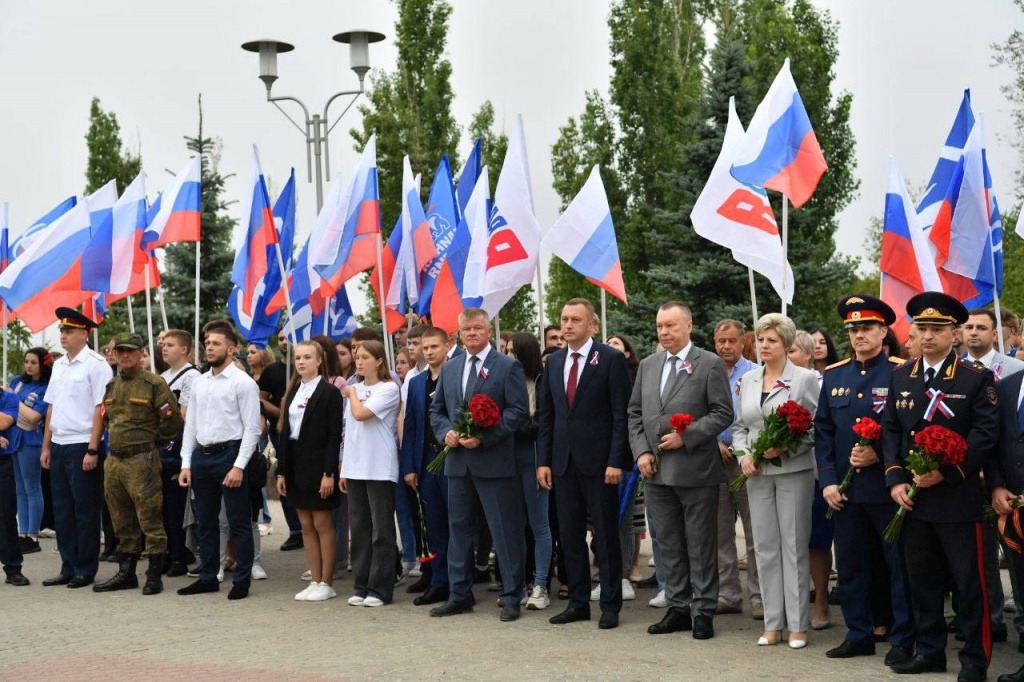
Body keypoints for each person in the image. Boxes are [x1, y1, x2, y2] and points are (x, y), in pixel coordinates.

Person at [883, 293, 998, 681]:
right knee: (922, 582)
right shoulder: (901, 375)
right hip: (914, 500)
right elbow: (892, 432)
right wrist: (896, 479)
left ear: (955, 334)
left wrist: (947, 474)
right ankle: (929, 652)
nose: (928, 336)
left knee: (968, 584)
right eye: (923, 329)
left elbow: (984, 436)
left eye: (937, 329)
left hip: (957, 498)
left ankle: (974, 659)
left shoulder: (975, 378)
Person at [815, 295, 914, 666]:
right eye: (853, 329)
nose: (858, 334)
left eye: (866, 327)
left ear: (883, 330)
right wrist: (827, 481)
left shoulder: (902, 371)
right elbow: (823, 431)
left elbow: (910, 431)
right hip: (845, 490)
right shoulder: (835, 374)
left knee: (897, 566)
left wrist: (884, 458)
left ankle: (904, 637)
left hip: (888, 489)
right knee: (852, 566)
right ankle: (858, 634)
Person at [628, 301, 734, 639]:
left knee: (701, 544)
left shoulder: (709, 363)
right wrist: (641, 451)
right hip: (656, 472)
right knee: (669, 543)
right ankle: (677, 607)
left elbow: (722, 412)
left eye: (671, 326)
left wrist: (686, 436)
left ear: (688, 326)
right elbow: (634, 414)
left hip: (696, 471)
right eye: (660, 326)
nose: (664, 332)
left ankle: (703, 610)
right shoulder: (648, 364)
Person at [429, 307, 529, 622]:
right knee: (458, 530)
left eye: (477, 328)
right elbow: (437, 410)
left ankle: (512, 594)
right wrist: (447, 433)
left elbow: (517, 411)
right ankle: (460, 594)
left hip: (494, 462)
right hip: (458, 464)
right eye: (466, 329)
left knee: (504, 531)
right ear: (457, 334)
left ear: (488, 331)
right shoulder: (450, 367)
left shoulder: (507, 366)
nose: (472, 333)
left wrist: (485, 437)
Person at [537, 299, 631, 630]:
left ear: (592, 325)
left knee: (605, 535)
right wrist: (543, 461)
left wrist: (616, 460)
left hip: (600, 464)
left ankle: (609, 604)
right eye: (564, 319)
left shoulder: (610, 359)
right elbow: (547, 415)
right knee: (569, 535)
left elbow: (621, 414)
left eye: (576, 319)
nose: (567, 325)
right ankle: (578, 602)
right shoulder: (554, 362)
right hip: (563, 464)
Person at [734, 313, 819, 649]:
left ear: (786, 344)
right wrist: (744, 456)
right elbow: (741, 426)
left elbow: (812, 427)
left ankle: (798, 625)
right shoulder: (751, 379)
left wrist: (785, 445)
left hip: (792, 472)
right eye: (760, 340)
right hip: (756, 474)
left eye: (771, 340)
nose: (764, 346)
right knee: (765, 548)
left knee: (794, 546)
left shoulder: (804, 378)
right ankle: (773, 624)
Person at [93, 334, 184, 596]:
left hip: (142, 460)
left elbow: (172, 422)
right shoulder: (112, 385)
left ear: (142, 353)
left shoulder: (154, 384)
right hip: (115, 460)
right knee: (121, 518)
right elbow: (108, 420)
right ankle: (126, 573)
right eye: (119, 351)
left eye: (130, 351)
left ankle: (154, 574)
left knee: (149, 517)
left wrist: (151, 441)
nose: (124, 356)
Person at [177, 325, 262, 601]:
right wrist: (186, 463)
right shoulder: (200, 382)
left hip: (230, 454)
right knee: (205, 522)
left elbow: (252, 429)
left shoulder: (243, 383)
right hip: (202, 456)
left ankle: (241, 580)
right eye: (207, 343)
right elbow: (191, 424)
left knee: (238, 521)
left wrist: (238, 466)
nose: (210, 347)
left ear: (232, 348)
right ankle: (208, 576)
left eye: (216, 343)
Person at [40, 308, 112, 589]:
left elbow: (101, 408)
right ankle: (68, 565)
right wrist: (46, 446)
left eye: (68, 331)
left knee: (85, 509)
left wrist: (93, 448)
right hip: (59, 443)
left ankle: (85, 568)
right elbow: (52, 407)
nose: (63, 336)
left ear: (84, 333)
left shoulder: (96, 364)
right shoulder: (59, 365)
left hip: (83, 443)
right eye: (61, 331)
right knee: (63, 510)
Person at [276, 341, 343, 602]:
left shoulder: (329, 393)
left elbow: (334, 435)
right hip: (295, 463)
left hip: (318, 464)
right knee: (305, 524)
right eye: (298, 358)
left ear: (319, 361)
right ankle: (315, 580)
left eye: (307, 357)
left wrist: (329, 472)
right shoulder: (293, 391)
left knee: (322, 523)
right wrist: (282, 472)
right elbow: (284, 434)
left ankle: (327, 581)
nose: (301, 362)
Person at [340, 340, 401, 607]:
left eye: (365, 357)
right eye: (357, 357)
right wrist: (344, 467)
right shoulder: (356, 388)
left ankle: (380, 589)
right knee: (360, 529)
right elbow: (349, 431)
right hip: (356, 467)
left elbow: (362, 413)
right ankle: (361, 585)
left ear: (379, 360)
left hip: (379, 467)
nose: (359, 362)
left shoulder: (388, 388)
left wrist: (351, 393)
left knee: (381, 531)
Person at [712, 320, 762, 620]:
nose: (726, 346)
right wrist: (714, 440)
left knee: (755, 533)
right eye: (721, 341)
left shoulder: (756, 373)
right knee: (720, 533)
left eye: (732, 341)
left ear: (743, 341)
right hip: (714, 462)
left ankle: (758, 597)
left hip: (748, 463)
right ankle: (728, 594)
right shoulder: (705, 370)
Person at [401, 326, 452, 606]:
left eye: (435, 346)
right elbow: (410, 426)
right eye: (426, 347)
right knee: (432, 527)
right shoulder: (417, 382)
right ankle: (438, 581)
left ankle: (456, 583)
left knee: (455, 524)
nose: (430, 351)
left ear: (446, 347)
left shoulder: (455, 374)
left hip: (452, 460)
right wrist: (409, 466)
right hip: (426, 461)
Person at [789, 330, 834, 632]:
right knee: (790, 542)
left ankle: (821, 602)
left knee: (816, 542)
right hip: (784, 471)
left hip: (816, 473)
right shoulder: (767, 381)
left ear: (808, 355)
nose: (788, 355)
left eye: (792, 350)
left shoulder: (823, 384)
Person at [507, 331, 553, 612]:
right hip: (506, 458)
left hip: (534, 456)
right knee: (512, 525)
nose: (507, 356)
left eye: (512, 351)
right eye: (505, 350)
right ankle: (517, 583)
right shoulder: (502, 379)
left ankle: (540, 585)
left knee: (539, 524)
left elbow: (546, 423)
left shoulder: (541, 381)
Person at [987, 358, 1024, 682]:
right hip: (1013, 508)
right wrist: (996, 484)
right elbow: (994, 444)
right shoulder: (1006, 388)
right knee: (1022, 584)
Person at [159, 330, 200, 576]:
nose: (164, 348)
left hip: (179, 447)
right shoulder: (163, 376)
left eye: (170, 345)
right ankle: (169, 551)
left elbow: (185, 415)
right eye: (163, 344)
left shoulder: (191, 376)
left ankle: (179, 555)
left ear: (184, 349)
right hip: (163, 446)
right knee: (163, 505)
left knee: (176, 506)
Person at [10, 347, 51, 556]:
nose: (28, 366)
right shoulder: (17, 381)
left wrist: (13, 401)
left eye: (33, 362)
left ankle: (33, 535)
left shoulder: (45, 387)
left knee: (32, 488)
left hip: (31, 440)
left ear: (42, 364)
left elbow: (35, 417)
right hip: (13, 438)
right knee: (19, 488)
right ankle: (22, 532)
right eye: (26, 361)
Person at [0, 379, 25, 586]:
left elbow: (3, 423)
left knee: (6, 514)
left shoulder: (9, 397)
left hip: (2, 461)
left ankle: (13, 568)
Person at [963, 308, 1024, 380]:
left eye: (981, 328)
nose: (973, 333)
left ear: (994, 334)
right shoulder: (954, 369)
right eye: (969, 327)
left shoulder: (1017, 368)